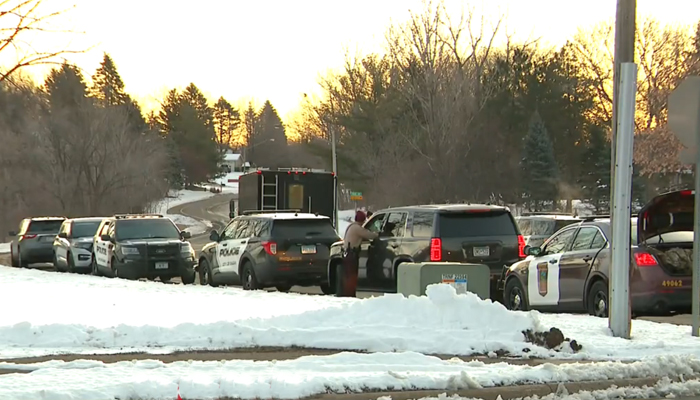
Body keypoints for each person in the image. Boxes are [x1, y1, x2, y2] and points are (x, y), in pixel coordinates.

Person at [339, 210, 378, 297]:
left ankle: (347, 294)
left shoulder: (351, 226)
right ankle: (350, 295)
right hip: (352, 254)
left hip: (347, 253)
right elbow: (369, 235)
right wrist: (377, 234)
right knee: (352, 276)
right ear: (362, 220)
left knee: (348, 275)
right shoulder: (357, 228)